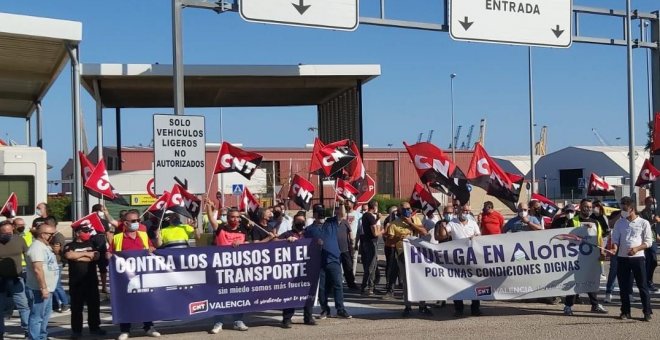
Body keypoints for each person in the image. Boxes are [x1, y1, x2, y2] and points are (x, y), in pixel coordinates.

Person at [110, 211, 161, 340]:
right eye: (133, 221)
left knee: (145, 300)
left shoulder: (143, 235)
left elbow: (152, 248)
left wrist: (152, 249)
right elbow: (110, 253)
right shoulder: (118, 238)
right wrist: (109, 255)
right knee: (125, 302)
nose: (136, 223)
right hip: (124, 277)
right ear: (125, 223)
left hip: (142, 275)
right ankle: (125, 330)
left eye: (138, 220)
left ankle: (149, 327)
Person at [207, 208, 250, 333]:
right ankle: (218, 322)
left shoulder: (244, 230)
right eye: (232, 217)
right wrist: (209, 208)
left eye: (237, 217)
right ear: (228, 218)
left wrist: (244, 244)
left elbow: (251, 246)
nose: (235, 219)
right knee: (220, 296)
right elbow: (211, 220)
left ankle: (238, 321)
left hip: (238, 270)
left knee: (238, 295)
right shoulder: (221, 229)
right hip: (221, 269)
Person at [305, 204, 351, 319]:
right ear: (314, 214)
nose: (321, 214)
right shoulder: (309, 229)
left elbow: (343, 214)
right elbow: (303, 244)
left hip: (333, 259)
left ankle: (340, 309)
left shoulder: (331, 223)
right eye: (319, 212)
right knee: (321, 288)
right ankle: (325, 309)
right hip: (319, 262)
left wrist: (341, 203)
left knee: (338, 284)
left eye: (322, 212)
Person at [563, 199, 608, 316]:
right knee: (574, 282)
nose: (587, 209)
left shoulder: (596, 222)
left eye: (589, 207)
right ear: (580, 208)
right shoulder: (573, 221)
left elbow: (600, 239)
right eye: (585, 207)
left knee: (591, 280)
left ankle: (595, 305)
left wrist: (602, 252)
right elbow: (567, 238)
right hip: (575, 257)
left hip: (591, 257)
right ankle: (568, 306)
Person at [611, 196, 653, 321]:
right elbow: (615, 239)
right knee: (623, 287)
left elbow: (648, 242)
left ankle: (647, 312)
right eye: (621, 208)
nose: (622, 211)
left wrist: (637, 249)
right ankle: (625, 311)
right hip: (622, 258)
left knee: (642, 286)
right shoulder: (620, 222)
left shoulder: (643, 223)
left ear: (632, 209)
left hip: (638, 258)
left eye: (625, 208)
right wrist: (614, 248)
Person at [387, 202, 432, 317]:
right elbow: (389, 242)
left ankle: (422, 305)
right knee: (407, 281)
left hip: (417, 254)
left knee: (421, 280)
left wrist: (410, 223)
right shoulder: (394, 224)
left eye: (409, 208)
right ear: (400, 211)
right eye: (405, 209)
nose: (407, 210)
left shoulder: (415, 219)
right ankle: (408, 306)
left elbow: (423, 232)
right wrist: (398, 237)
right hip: (403, 255)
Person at [438, 203, 483, 317]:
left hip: (472, 258)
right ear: (459, 211)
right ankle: (459, 308)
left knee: (474, 282)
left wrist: (475, 238)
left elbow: (479, 236)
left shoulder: (473, 223)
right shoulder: (452, 223)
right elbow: (442, 236)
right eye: (464, 211)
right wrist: (443, 226)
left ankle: (475, 308)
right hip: (457, 259)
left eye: (468, 211)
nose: (466, 213)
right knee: (457, 283)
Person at [63, 224, 106, 338]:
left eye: (88, 231)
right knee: (77, 308)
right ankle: (76, 331)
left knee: (94, 306)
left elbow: (96, 256)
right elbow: (69, 255)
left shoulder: (92, 244)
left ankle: (95, 328)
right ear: (77, 233)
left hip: (91, 281)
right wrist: (87, 254)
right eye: (85, 231)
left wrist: (78, 257)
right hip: (76, 282)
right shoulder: (70, 245)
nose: (87, 233)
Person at [278, 212, 316, 328]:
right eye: (298, 221)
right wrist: (285, 241)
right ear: (294, 222)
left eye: (302, 221)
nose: (300, 223)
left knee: (307, 293)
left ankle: (308, 317)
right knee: (290, 294)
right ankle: (287, 319)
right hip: (291, 271)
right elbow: (273, 244)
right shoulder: (287, 234)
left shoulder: (308, 234)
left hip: (306, 268)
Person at [25, 221, 59, 340]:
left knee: (45, 315)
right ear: (43, 234)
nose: (53, 236)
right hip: (39, 289)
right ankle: (35, 337)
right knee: (37, 316)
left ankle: (42, 336)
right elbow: (38, 269)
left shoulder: (45, 246)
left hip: (49, 288)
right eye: (51, 234)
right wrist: (43, 288)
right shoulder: (36, 248)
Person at [0, 220, 30, 338]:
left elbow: (28, 255)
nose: (7, 233)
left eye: (9, 231)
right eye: (4, 232)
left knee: (23, 305)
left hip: (17, 278)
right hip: (0, 280)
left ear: (13, 229)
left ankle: (28, 330)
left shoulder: (19, 239)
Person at [44, 216, 69, 314]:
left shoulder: (58, 236)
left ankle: (65, 303)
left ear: (51, 225)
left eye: (45, 224)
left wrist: (49, 246)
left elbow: (58, 250)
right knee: (51, 284)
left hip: (57, 263)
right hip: (51, 262)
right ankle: (55, 304)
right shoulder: (51, 236)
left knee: (56, 284)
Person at [359, 200, 382, 295]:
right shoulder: (369, 216)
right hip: (371, 243)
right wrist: (383, 231)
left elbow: (370, 226)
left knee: (373, 265)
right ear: (375, 207)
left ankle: (371, 286)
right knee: (371, 266)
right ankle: (364, 286)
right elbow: (375, 233)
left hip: (367, 242)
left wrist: (377, 219)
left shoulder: (365, 216)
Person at [90, 204, 113, 293]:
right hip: (90, 246)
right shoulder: (88, 221)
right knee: (90, 268)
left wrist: (111, 247)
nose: (102, 212)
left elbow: (108, 234)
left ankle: (104, 286)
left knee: (103, 268)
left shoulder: (104, 221)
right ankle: (92, 286)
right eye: (101, 210)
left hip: (102, 246)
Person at [335, 205, 357, 290]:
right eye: (336, 212)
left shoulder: (345, 222)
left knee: (348, 268)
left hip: (345, 249)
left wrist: (352, 245)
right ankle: (335, 284)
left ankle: (351, 284)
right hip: (335, 249)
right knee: (335, 268)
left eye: (339, 212)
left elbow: (350, 233)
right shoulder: (330, 222)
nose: (338, 213)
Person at [639, 196, 658, 292]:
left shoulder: (653, 214)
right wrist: (653, 221)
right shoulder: (641, 214)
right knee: (651, 260)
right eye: (651, 203)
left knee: (653, 262)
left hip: (653, 239)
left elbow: (653, 229)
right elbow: (643, 228)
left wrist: (657, 236)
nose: (653, 205)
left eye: (654, 203)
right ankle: (647, 281)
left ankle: (647, 281)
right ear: (646, 203)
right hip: (645, 240)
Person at [382, 205, 399, 298]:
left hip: (398, 247)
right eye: (395, 212)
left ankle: (400, 283)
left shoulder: (400, 221)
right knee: (390, 266)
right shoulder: (388, 221)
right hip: (390, 247)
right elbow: (385, 235)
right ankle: (389, 285)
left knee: (399, 266)